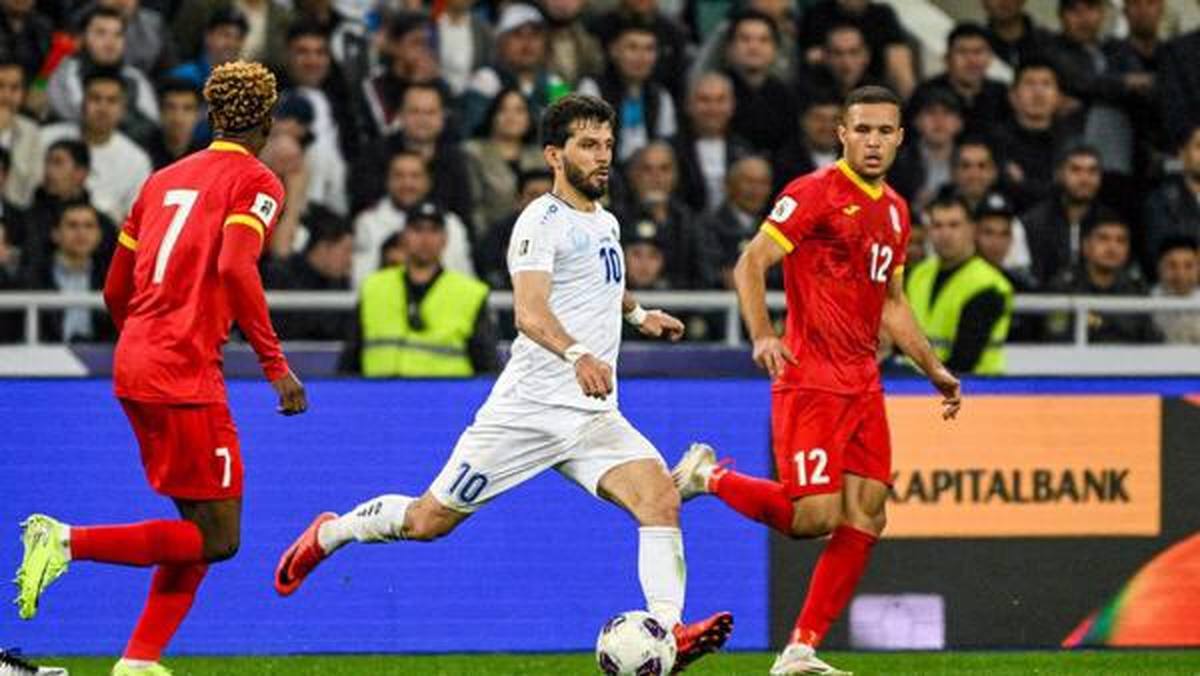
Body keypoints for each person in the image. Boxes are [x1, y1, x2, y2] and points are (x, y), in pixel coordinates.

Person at [274, 94, 733, 672]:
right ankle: (332, 533)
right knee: (426, 521)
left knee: (660, 498)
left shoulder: (606, 220)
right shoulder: (540, 221)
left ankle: (668, 632)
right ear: (554, 155)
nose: (602, 156)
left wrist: (639, 315)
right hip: (528, 412)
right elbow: (529, 312)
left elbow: (600, 280)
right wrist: (578, 355)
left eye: (608, 145)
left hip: (593, 416)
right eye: (588, 145)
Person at [13, 61, 307, 676]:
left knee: (197, 525)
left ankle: (139, 661)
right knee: (220, 538)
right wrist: (274, 364)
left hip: (137, 362)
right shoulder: (258, 181)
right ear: (266, 122)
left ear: (213, 116)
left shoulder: (161, 181)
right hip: (183, 374)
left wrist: (148, 337)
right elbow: (235, 267)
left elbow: (114, 289)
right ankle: (63, 540)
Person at [671, 86, 961, 676]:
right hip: (811, 379)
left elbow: (893, 302)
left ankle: (800, 649)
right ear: (843, 135)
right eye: (863, 130)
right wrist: (762, 334)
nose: (873, 141)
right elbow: (750, 263)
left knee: (868, 514)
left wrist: (932, 369)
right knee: (814, 519)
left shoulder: (897, 210)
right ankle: (709, 475)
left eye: (885, 131)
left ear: (900, 138)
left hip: (863, 382)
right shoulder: (813, 193)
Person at [340, 200, 495, 377]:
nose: (425, 239)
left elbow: (486, 365)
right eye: (417, 229)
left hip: (445, 392)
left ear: (445, 239)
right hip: (381, 391)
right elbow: (350, 358)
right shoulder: (373, 287)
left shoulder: (470, 293)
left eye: (433, 230)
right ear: (403, 237)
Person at [906, 196, 1013, 374]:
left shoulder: (989, 285)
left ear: (971, 229)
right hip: (916, 385)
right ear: (928, 231)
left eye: (954, 225)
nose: (945, 234)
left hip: (976, 386)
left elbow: (964, 360)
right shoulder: (917, 275)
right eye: (937, 225)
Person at [1046, 214, 1161, 343]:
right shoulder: (1063, 288)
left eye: (1121, 241)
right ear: (1086, 246)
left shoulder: (1137, 289)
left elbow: (1151, 339)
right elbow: (1055, 338)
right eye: (1103, 238)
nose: (1112, 248)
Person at [1151, 235, 1200, 344]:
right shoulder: (1145, 302)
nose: (1181, 274)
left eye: (1188, 266)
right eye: (1172, 266)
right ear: (1159, 268)